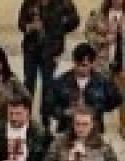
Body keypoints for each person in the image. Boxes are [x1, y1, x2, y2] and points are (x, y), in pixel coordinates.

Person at [19, 0, 82, 116]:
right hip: (31, 49)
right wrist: (30, 26)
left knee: (48, 86)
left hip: (52, 50)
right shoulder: (29, 2)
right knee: (28, 84)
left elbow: (75, 20)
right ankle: (24, 116)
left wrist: (60, 28)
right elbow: (21, 23)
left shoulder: (63, 2)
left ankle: (45, 119)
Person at [47, 43, 123, 132]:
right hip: (67, 129)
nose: (80, 68)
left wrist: (98, 109)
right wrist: (64, 112)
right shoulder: (61, 81)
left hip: (94, 130)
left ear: (92, 63)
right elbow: (49, 105)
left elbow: (117, 99)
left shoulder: (103, 82)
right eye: (77, 64)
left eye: (84, 65)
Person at [85, 0, 125, 138]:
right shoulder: (98, 14)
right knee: (98, 95)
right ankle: (97, 126)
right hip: (102, 63)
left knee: (122, 96)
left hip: (122, 64)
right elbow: (88, 33)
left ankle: (123, 126)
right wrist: (103, 39)